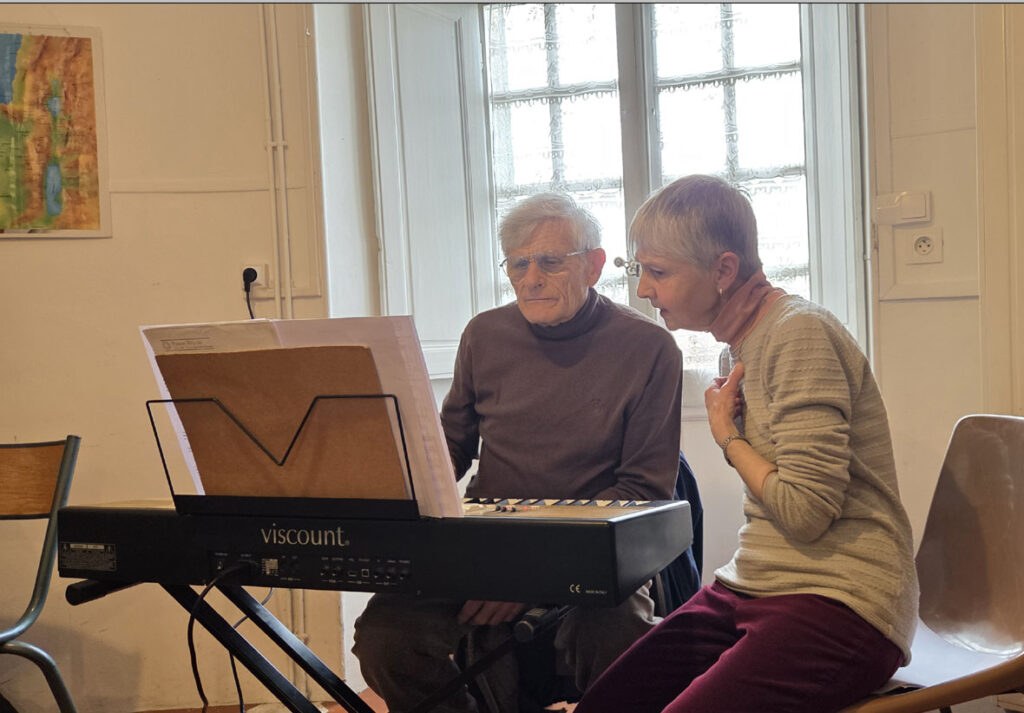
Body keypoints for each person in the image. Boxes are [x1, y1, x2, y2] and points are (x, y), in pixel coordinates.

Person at [574, 175, 919, 713]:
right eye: (641, 270)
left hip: (843, 600)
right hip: (753, 585)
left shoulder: (799, 335)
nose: (643, 290)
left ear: (724, 271)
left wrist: (728, 436)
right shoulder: (739, 347)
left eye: (658, 272)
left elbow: (806, 513)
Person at [352, 193, 687, 713]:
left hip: (594, 553)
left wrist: (530, 572)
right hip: (487, 543)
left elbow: (642, 489)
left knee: (614, 637)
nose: (531, 279)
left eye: (550, 262)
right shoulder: (484, 334)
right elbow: (450, 447)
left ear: (594, 265)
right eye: (517, 264)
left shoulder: (649, 348)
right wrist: (392, 478)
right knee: (384, 638)